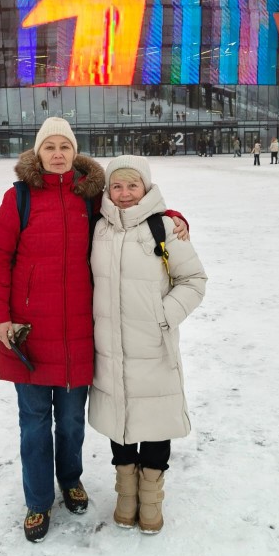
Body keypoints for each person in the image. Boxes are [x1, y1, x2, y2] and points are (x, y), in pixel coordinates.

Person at [0, 119, 189, 543]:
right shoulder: (18, 198)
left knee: (73, 421)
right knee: (35, 423)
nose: (58, 154)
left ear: (75, 153)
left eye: (65, 147)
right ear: (37, 154)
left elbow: (129, 213)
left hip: (80, 334)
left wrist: (171, 215)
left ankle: (71, 480)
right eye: (49, 147)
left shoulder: (90, 196)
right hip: (28, 332)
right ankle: (38, 501)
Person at [88, 156, 207, 534]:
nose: (124, 194)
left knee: (155, 422)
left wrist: (163, 316)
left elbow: (193, 280)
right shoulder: (97, 227)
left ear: (146, 187)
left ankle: (151, 497)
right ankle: (126, 492)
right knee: (119, 420)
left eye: (132, 186)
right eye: (117, 186)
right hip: (109, 346)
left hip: (153, 345)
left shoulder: (165, 228)